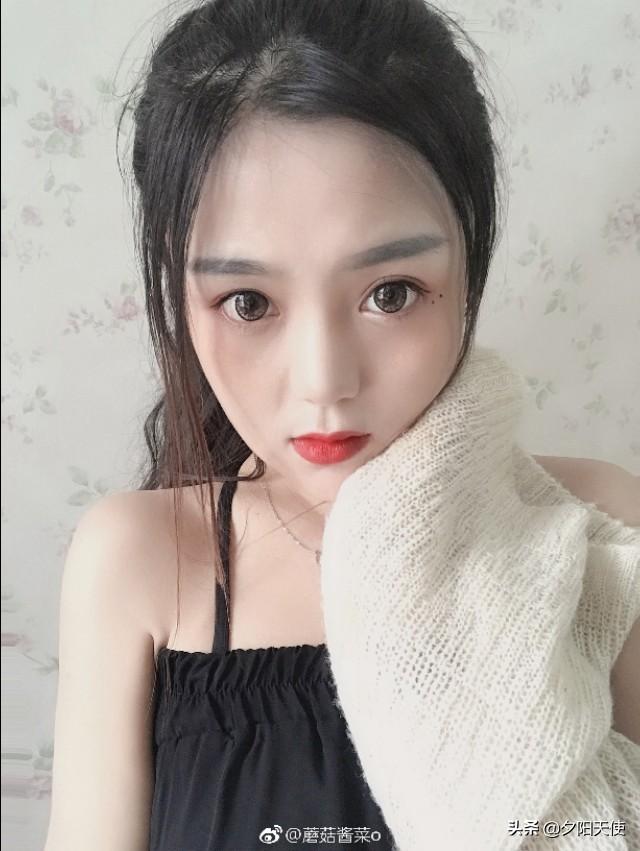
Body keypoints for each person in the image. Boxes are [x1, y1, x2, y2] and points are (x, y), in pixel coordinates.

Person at [44, 1, 639, 849]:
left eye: (390, 293)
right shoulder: (140, 563)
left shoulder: (593, 525)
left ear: (469, 259)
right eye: (248, 302)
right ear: (179, 292)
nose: (325, 382)